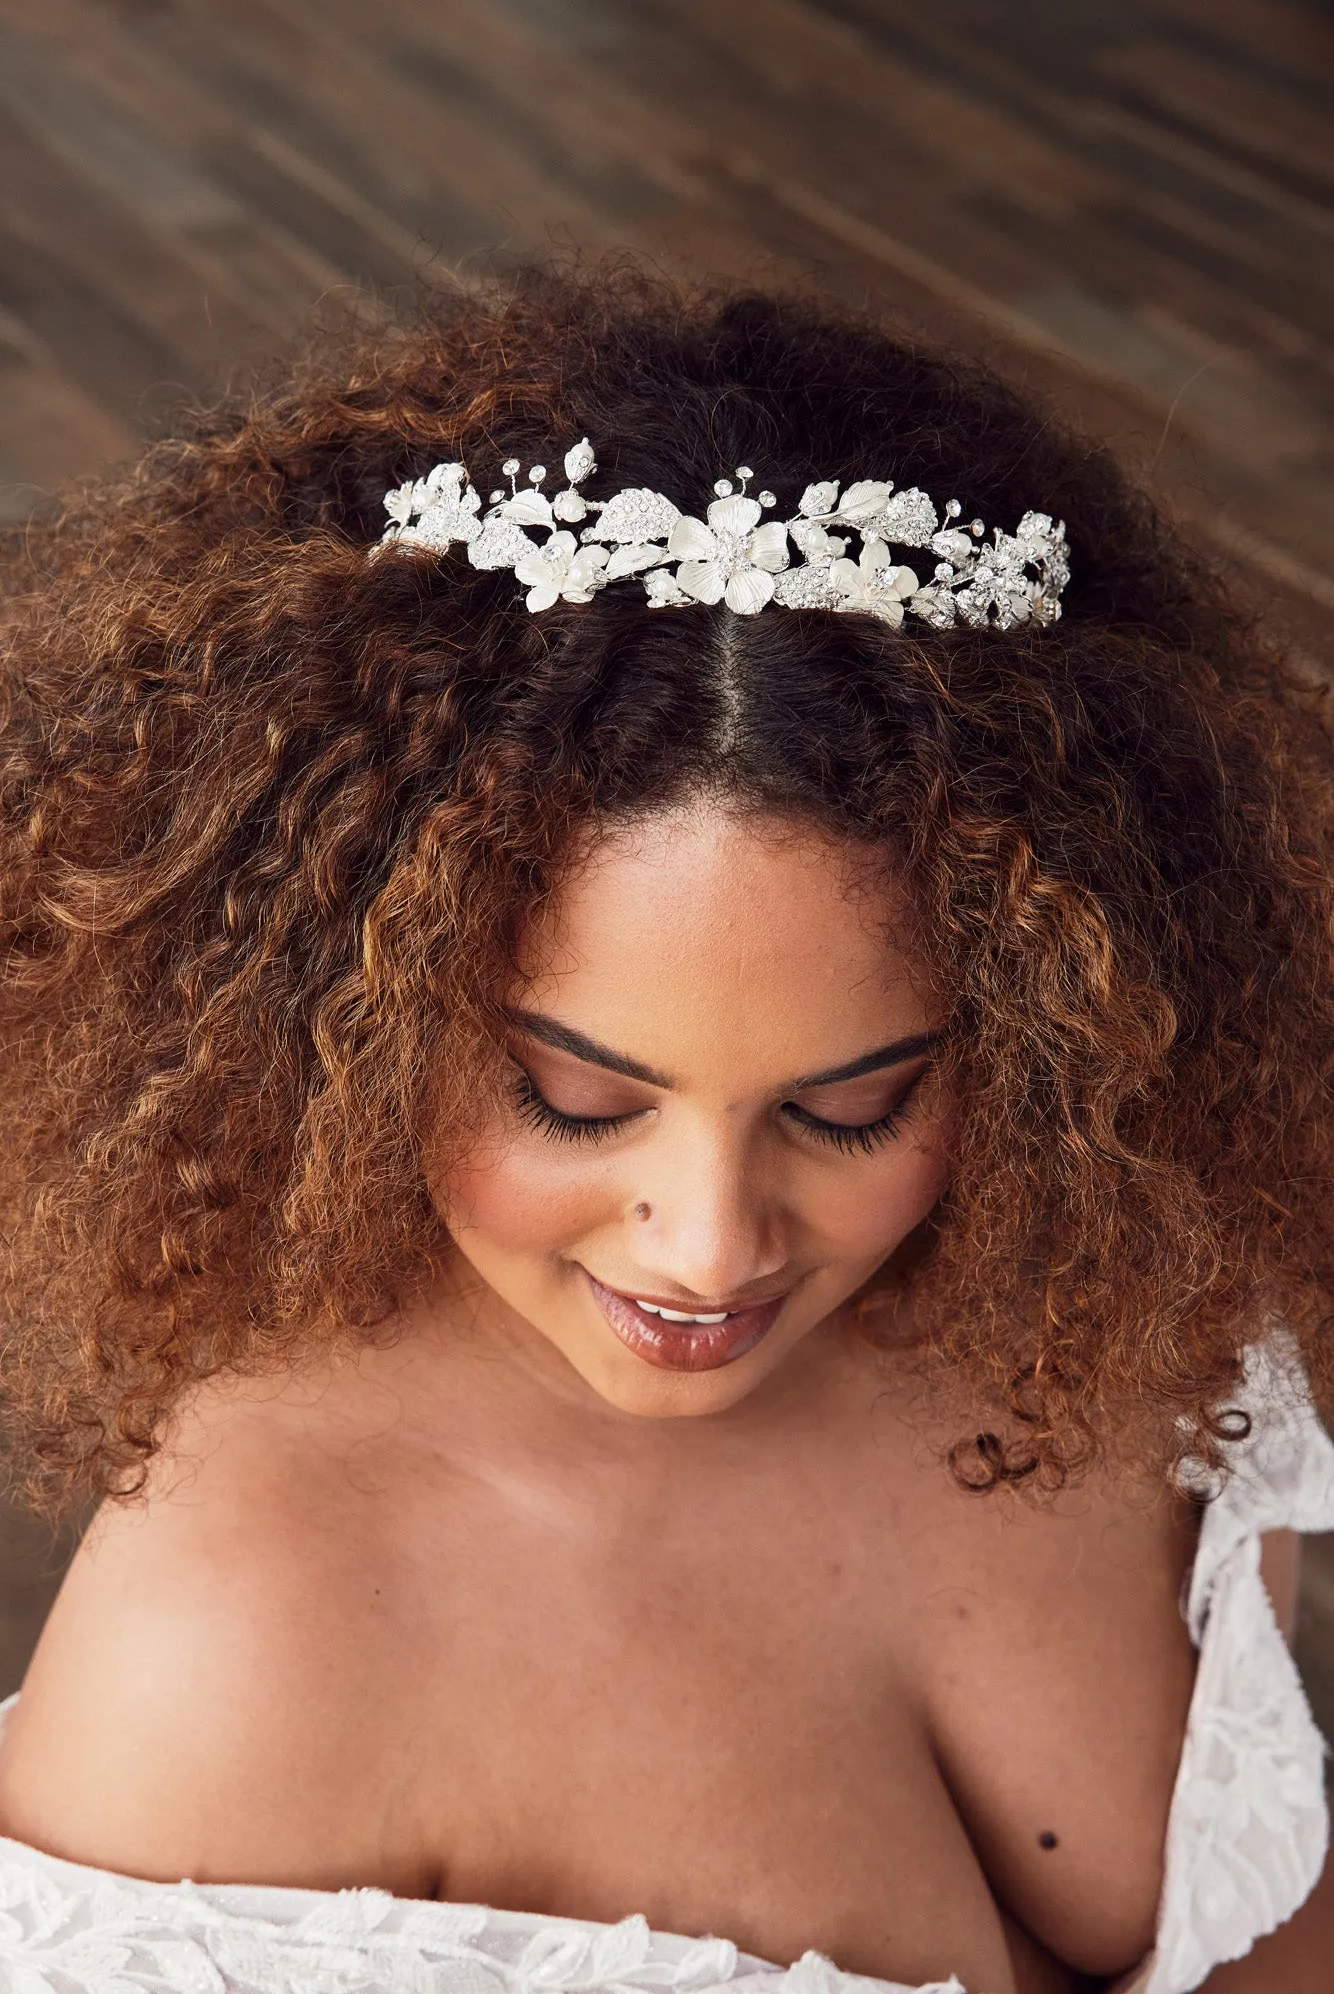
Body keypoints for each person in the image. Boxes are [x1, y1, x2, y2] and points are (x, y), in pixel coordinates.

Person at [0, 267, 1329, 1994]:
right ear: (350, 1017)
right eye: (575, 1097)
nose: (711, 1247)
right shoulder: (243, 1658)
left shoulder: (1120, 1282)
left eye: (854, 1108)